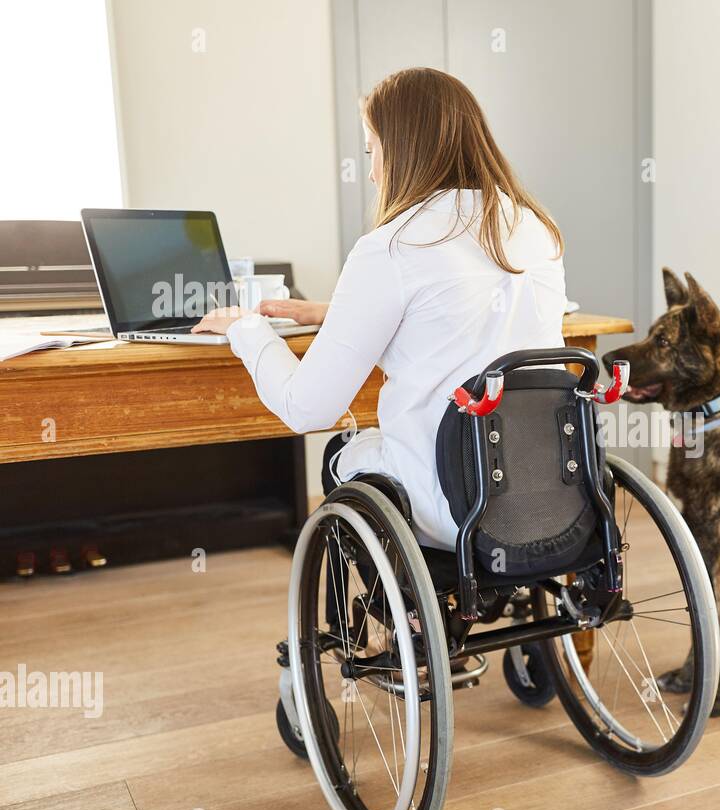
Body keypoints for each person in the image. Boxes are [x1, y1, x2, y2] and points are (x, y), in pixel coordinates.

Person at [195, 68, 566, 548]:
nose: (371, 172)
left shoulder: (392, 246)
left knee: (339, 454)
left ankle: (378, 616)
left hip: (449, 505)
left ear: (405, 150)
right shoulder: (534, 226)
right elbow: (465, 312)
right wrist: (341, 311)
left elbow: (306, 408)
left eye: (373, 151)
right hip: (546, 499)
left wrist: (246, 328)